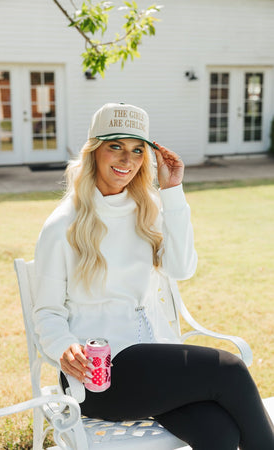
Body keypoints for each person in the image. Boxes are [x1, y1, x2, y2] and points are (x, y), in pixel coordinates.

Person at [33, 102, 274, 450]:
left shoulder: (147, 208)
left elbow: (182, 268)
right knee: (230, 370)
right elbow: (47, 313)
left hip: (156, 364)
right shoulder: (63, 225)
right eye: (115, 146)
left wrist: (172, 191)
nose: (126, 160)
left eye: (136, 150)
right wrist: (63, 347)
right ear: (94, 151)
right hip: (100, 375)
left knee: (218, 432)